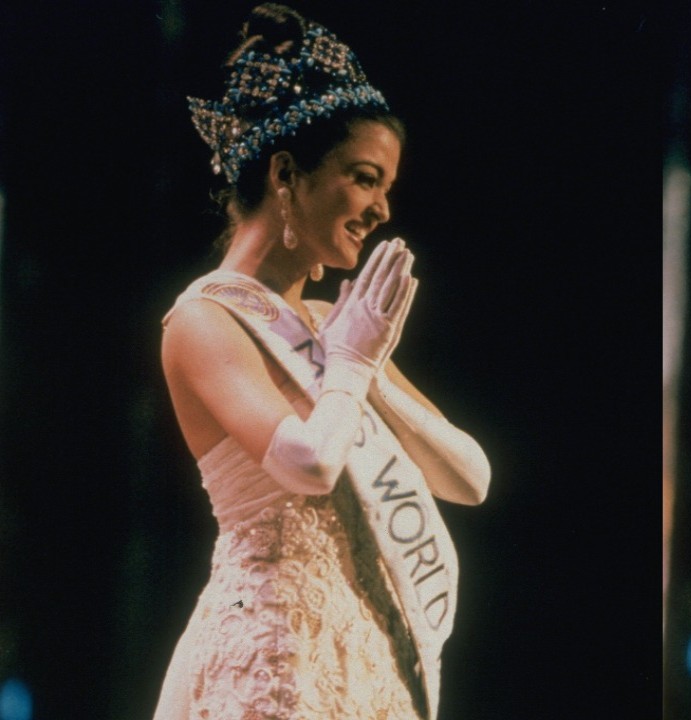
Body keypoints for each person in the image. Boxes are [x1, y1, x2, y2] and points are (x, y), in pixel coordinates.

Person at [152, 5, 490, 719]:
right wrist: (350, 365)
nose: (380, 210)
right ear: (286, 173)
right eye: (364, 178)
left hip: (369, 649)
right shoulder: (204, 318)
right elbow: (307, 464)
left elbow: (471, 477)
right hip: (276, 642)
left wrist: (369, 370)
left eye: (387, 187)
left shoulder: (336, 332)